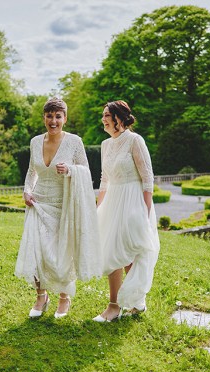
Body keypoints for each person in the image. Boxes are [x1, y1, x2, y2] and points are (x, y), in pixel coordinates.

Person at [15, 98, 101, 319]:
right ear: (44, 117)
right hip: (38, 202)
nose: (53, 121)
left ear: (65, 118)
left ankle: (64, 297)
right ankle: (41, 296)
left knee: (61, 252)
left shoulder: (74, 141)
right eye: (49, 116)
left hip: (63, 204)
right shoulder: (35, 141)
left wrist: (71, 169)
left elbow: (86, 169)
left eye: (58, 116)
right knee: (37, 249)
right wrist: (27, 190)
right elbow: (31, 171)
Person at [93, 100, 160, 322]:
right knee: (112, 251)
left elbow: (147, 177)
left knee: (130, 254)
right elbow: (105, 179)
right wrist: (97, 206)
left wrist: (145, 209)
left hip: (133, 201)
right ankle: (114, 306)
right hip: (113, 201)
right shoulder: (105, 145)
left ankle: (136, 300)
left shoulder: (135, 141)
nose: (103, 119)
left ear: (118, 118)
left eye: (106, 115)